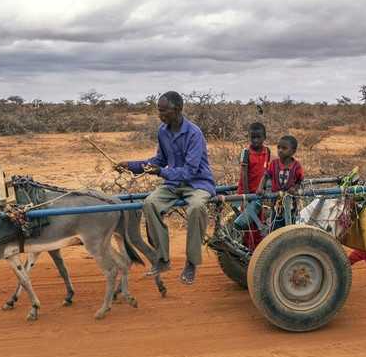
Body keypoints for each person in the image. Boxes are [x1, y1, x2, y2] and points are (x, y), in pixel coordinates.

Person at [116, 91, 215, 285]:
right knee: (150, 203)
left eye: (163, 111)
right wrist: (131, 165)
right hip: (174, 184)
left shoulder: (194, 134)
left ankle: (191, 263)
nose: (160, 115)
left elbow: (189, 171)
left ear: (177, 110)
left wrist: (161, 172)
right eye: (159, 111)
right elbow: (159, 160)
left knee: (196, 208)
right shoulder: (163, 131)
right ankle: (162, 258)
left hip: (198, 183)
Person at [237, 122, 271, 194]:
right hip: (247, 192)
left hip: (259, 191)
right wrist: (246, 194)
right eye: (253, 137)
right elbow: (244, 174)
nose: (255, 140)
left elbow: (266, 171)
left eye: (258, 137)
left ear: (264, 137)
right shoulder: (246, 152)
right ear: (249, 137)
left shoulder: (267, 151)